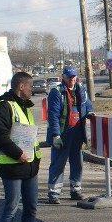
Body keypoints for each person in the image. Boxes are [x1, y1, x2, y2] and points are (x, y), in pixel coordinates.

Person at [0, 71, 44, 222]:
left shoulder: (23, 106)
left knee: (31, 207)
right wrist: (18, 153)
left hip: (30, 166)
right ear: (21, 87)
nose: (32, 90)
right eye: (30, 86)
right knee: (11, 208)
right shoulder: (3, 107)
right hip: (13, 166)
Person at [46, 65, 94, 204]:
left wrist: (90, 112)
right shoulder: (56, 92)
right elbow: (53, 115)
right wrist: (55, 135)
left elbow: (88, 104)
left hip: (77, 133)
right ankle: (54, 193)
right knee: (58, 164)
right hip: (63, 134)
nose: (72, 80)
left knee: (77, 163)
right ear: (63, 77)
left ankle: (76, 190)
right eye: (69, 77)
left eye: (74, 77)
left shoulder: (81, 89)